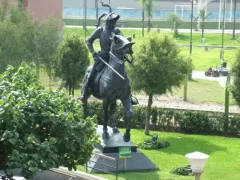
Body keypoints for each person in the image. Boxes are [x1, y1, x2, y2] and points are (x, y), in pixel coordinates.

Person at [80, 12, 138, 105]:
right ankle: (84, 93)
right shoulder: (100, 30)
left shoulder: (117, 31)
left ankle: (129, 95)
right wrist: (93, 52)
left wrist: (127, 44)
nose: (115, 23)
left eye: (115, 21)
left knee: (124, 75)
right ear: (109, 22)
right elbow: (89, 41)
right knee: (92, 73)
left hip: (115, 58)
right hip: (102, 56)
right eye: (113, 21)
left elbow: (122, 41)